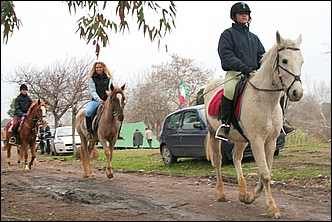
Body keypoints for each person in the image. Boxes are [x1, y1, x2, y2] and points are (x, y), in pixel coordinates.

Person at [216, 2, 294, 141]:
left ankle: (280, 122)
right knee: (229, 90)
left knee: (279, 90)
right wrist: (242, 67)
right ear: (234, 16)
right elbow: (226, 55)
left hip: (254, 74)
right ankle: (226, 125)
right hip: (236, 73)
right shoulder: (227, 35)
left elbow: (262, 56)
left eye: (246, 14)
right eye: (241, 14)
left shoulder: (254, 38)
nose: (244, 16)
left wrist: (262, 69)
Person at [85, 61, 124, 140]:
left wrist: (109, 97)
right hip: (96, 101)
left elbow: (111, 89)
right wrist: (98, 99)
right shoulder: (92, 79)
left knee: (119, 111)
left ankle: (118, 132)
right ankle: (90, 132)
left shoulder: (109, 78)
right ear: (95, 69)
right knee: (88, 112)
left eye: (100, 67)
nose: (98, 69)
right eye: (97, 68)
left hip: (107, 101)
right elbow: (93, 91)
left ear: (103, 68)